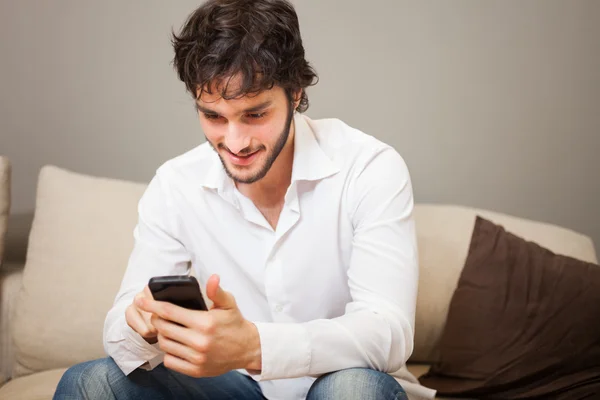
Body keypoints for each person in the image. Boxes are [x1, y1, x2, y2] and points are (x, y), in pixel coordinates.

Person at [54, 0, 436, 399]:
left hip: (340, 385)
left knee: (353, 389)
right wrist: (141, 324)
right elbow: (119, 329)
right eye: (214, 117)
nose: (235, 143)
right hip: (233, 390)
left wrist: (255, 346)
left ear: (296, 92)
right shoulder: (175, 185)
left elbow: (388, 331)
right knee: (88, 383)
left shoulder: (369, 168)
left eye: (254, 115)